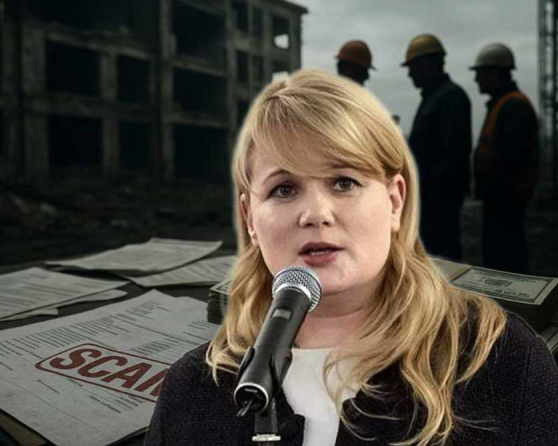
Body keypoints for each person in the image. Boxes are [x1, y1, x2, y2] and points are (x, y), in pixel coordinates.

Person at [145, 70, 558, 446]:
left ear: (394, 201)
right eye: (284, 189)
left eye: (344, 182)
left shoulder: (503, 363)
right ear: (249, 219)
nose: (316, 214)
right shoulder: (192, 391)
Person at [471, 43, 540, 274]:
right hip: (500, 202)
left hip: (505, 203)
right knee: (500, 261)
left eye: (481, 73)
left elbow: (512, 162)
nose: (477, 79)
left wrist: (498, 191)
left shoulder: (513, 106)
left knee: (506, 262)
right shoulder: (503, 104)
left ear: (496, 73)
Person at [403, 34, 471, 261]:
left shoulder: (450, 97)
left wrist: (430, 189)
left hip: (439, 200)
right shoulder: (433, 98)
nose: (410, 74)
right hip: (429, 197)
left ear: (428, 64)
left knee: (443, 256)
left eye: (412, 67)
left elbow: (453, 156)